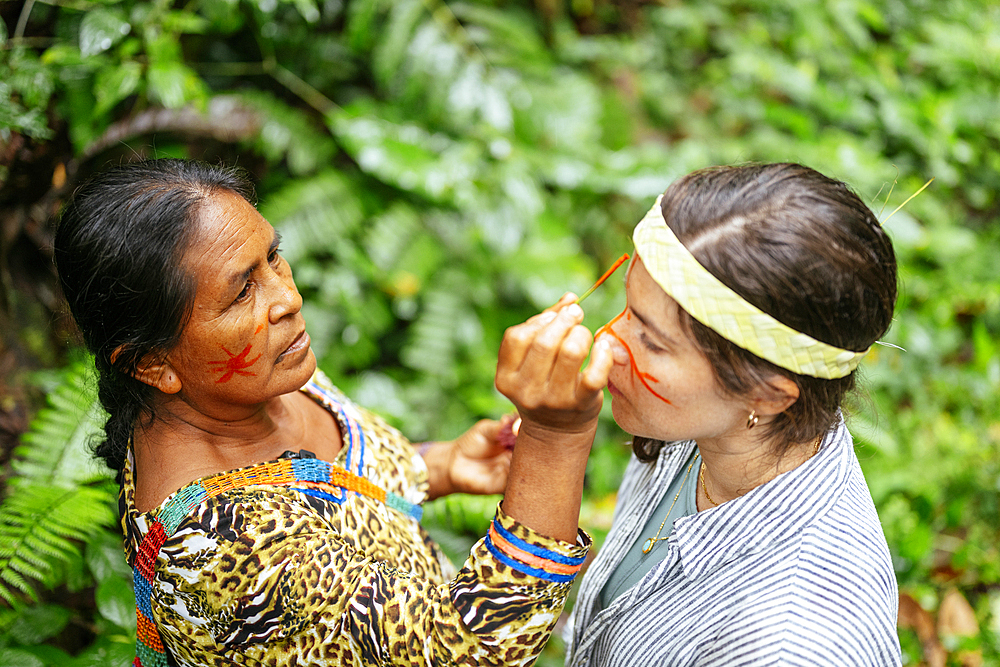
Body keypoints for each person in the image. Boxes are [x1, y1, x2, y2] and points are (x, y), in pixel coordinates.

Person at [54, 158, 611, 666]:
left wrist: (437, 467)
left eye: (272, 256)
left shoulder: (254, 380)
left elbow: (328, 486)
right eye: (242, 291)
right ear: (153, 365)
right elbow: (465, 648)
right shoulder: (223, 546)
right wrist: (554, 437)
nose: (287, 298)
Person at [561, 163, 902, 666]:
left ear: (766, 395)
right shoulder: (703, 430)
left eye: (652, 341)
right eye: (629, 312)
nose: (605, 343)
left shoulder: (790, 645)